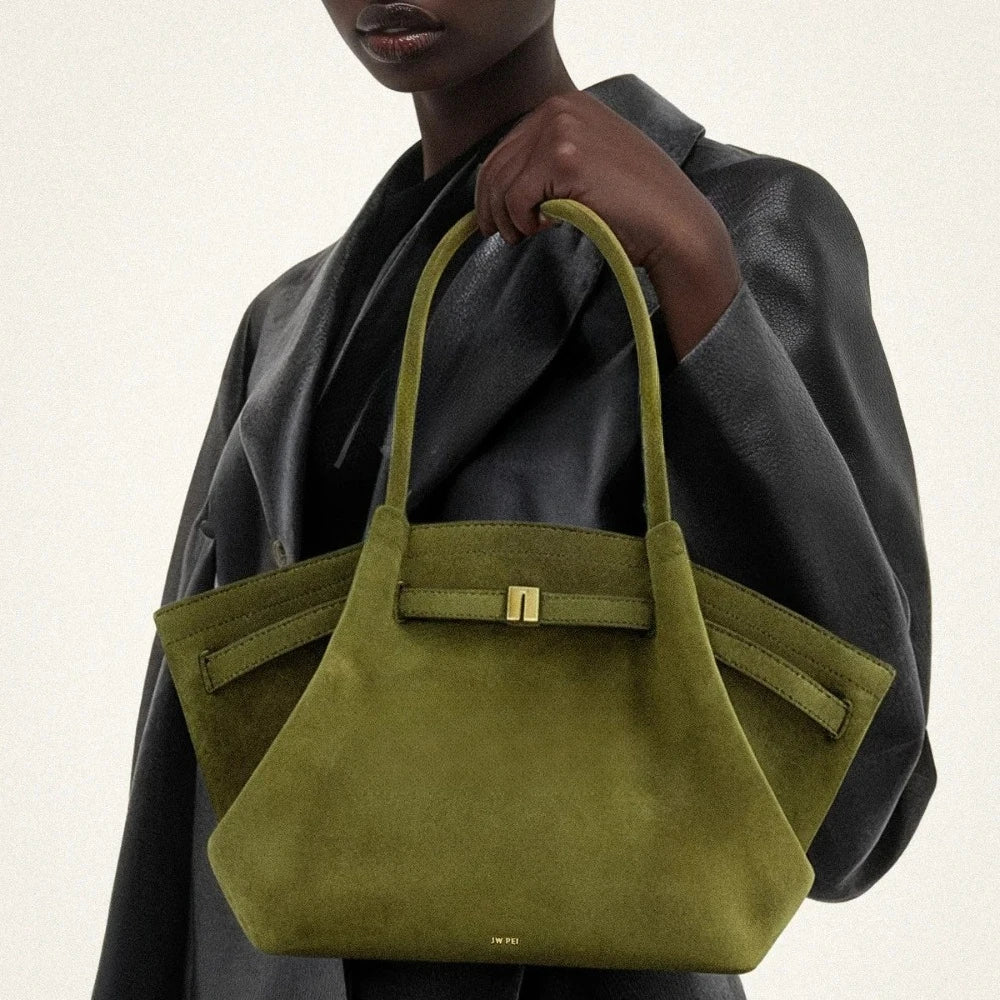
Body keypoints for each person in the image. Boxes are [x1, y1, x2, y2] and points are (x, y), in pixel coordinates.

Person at [92, 1, 936, 998]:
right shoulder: (281, 333)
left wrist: (696, 273)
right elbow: (177, 799)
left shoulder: (737, 226)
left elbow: (859, 812)